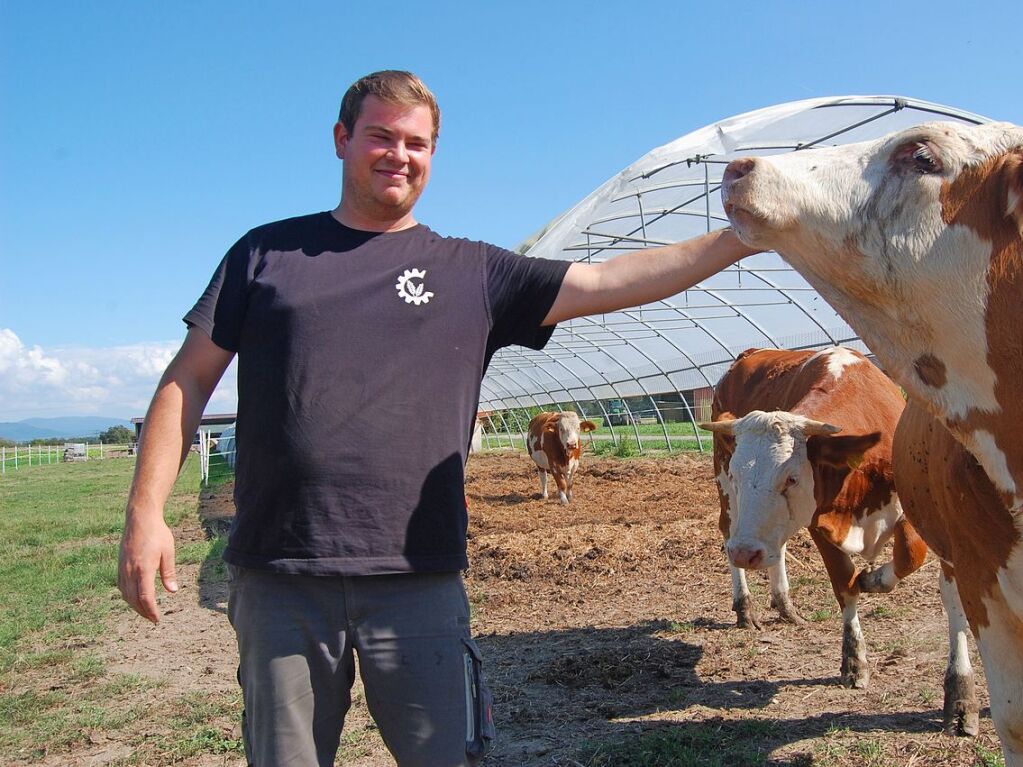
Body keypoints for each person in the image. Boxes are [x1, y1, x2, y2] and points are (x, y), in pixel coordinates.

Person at [118, 70, 758, 766]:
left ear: (432, 153)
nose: (399, 154)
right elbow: (187, 379)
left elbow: (608, 282)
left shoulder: (470, 273)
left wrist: (739, 238)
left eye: (416, 143)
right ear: (341, 140)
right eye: (380, 136)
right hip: (281, 571)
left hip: (418, 575)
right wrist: (146, 512)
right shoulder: (266, 254)